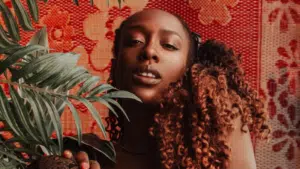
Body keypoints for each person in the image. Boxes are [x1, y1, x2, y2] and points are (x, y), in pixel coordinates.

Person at [63, 9, 270, 169]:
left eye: (169, 45)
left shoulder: (210, 153)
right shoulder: (87, 155)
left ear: (190, 70)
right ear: (115, 67)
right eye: (134, 41)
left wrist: (227, 124)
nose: (149, 51)